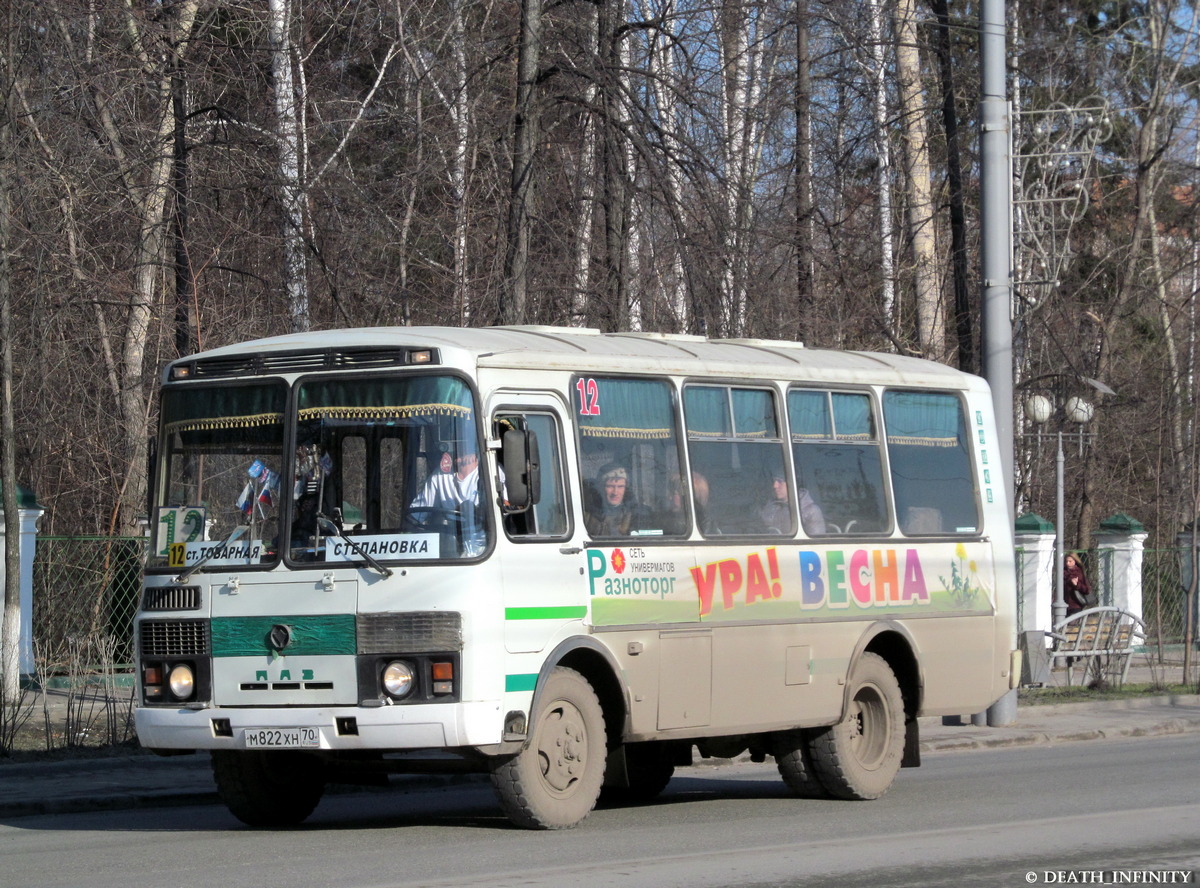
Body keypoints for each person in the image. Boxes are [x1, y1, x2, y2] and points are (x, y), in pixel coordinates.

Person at [585, 464, 649, 536]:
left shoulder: (639, 515)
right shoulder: (588, 515)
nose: (615, 492)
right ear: (602, 488)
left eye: (620, 487)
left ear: (626, 489)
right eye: (610, 486)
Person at [411, 445, 481, 511]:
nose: (459, 450)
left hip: (476, 523)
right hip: (451, 523)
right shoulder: (439, 476)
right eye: (457, 445)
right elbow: (418, 514)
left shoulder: (484, 475)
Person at [759, 472, 826, 535]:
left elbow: (815, 544)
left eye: (780, 481)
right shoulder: (771, 508)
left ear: (792, 483)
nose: (775, 486)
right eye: (774, 481)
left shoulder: (811, 511)